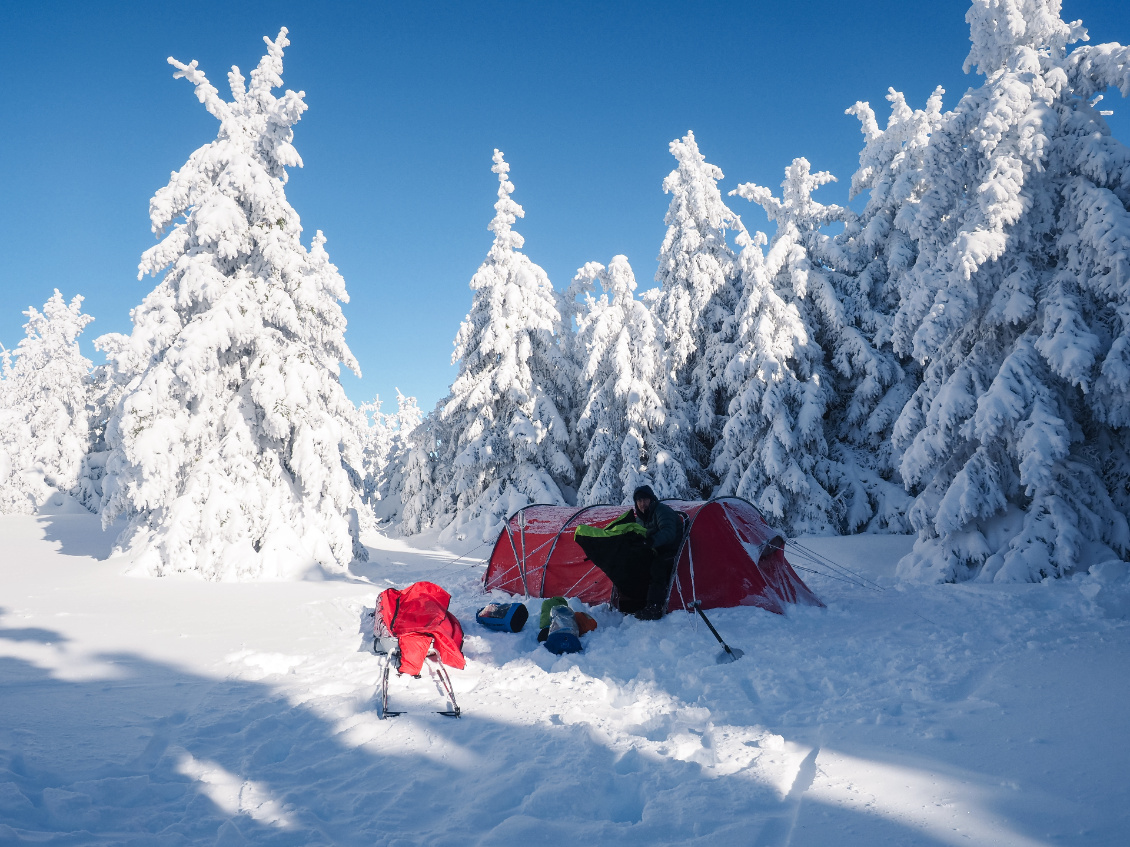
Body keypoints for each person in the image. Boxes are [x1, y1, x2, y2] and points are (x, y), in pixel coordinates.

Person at [630, 485, 682, 620]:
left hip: (674, 551)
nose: (642, 504)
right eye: (639, 501)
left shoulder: (662, 511)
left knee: (656, 566)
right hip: (655, 550)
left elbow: (668, 532)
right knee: (634, 563)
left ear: (651, 499)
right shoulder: (640, 518)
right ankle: (637, 602)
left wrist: (651, 542)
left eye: (645, 500)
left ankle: (655, 607)